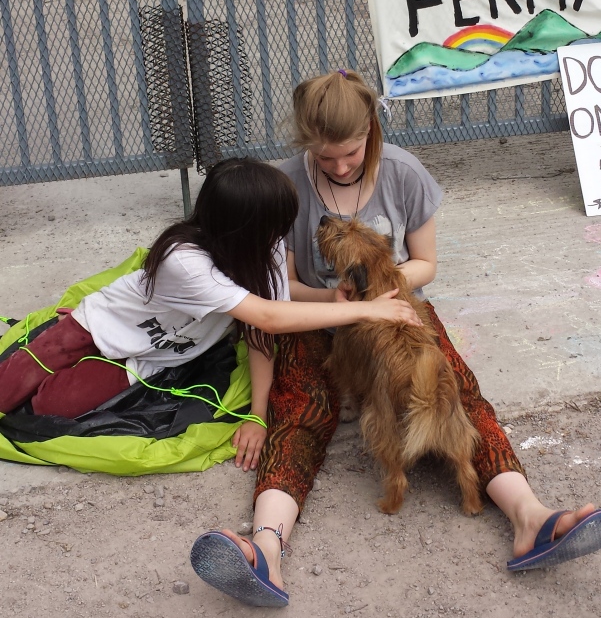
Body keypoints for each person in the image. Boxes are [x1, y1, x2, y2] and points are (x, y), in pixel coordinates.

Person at [190, 72, 601, 606]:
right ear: (305, 147)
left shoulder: (403, 172)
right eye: (326, 160)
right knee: (301, 409)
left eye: (350, 153)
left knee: (452, 391)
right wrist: (338, 303)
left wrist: (381, 292)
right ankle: (264, 549)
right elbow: (285, 285)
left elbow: (426, 264)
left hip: (394, 309)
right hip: (316, 316)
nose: (341, 167)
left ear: (371, 128)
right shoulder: (284, 186)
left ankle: (530, 517)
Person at [0, 157, 420, 435]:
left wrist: (257, 413)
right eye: (278, 224)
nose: (286, 234)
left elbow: (264, 328)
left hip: (148, 357)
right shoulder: (183, 260)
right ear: (244, 227)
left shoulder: (266, 248)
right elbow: (270, 318)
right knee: (7, 390)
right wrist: (369, 310)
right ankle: (53, 335)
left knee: (48, 409)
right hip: (96, 326)